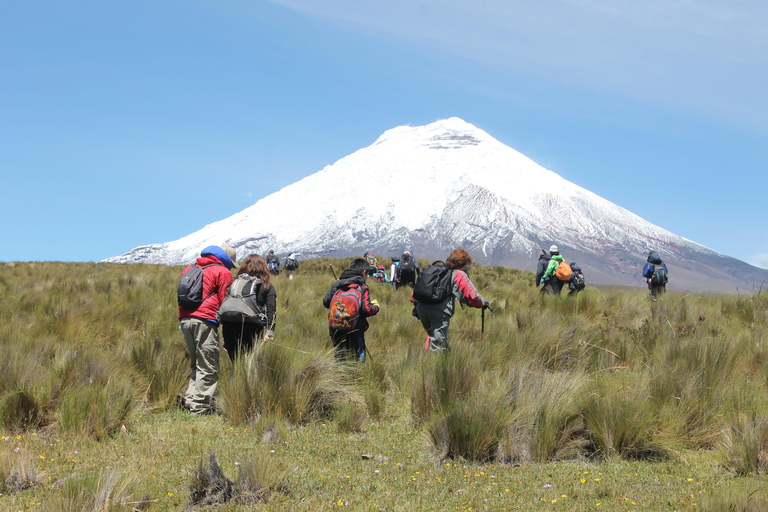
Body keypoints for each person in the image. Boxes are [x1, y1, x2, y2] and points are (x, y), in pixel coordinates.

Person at [178, 245, 237, 415]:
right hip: (205, 321)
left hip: (186, 320)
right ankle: (200, 408)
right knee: (209, 365)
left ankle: (190, 400)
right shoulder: (221, 271)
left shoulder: (191, 268)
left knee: (196, 362)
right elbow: (223, 300)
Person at [413, 248, 488, 352]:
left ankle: (426, 359)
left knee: (431, 335)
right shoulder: (458, 274)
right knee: (438, 346)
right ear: (463, 263)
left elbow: (415, 294)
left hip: (421, 308)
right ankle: (434, 367)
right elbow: (471, 295)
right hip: (439, 311)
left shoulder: (434, 270)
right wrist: (483, 303)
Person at [220, 254, 276, 362]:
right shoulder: (266, 286)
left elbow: (227, 308)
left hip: (229, 330)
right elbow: (271, 310)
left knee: (236, 365)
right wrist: (270, 332)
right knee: (251, 365)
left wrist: (225, 340)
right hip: (252, 329)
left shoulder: (234, 284)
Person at [322, 257, 380, 362]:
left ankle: (339, 376)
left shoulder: (338, 284)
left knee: (340, 356)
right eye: (367, 274)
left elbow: (326, 302)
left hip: (336, 328)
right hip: (355, 329)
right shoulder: (362, 287)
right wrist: (376, 306)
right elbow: (367, 309)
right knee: (358, 357)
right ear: (364, 272)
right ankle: (356, 376)